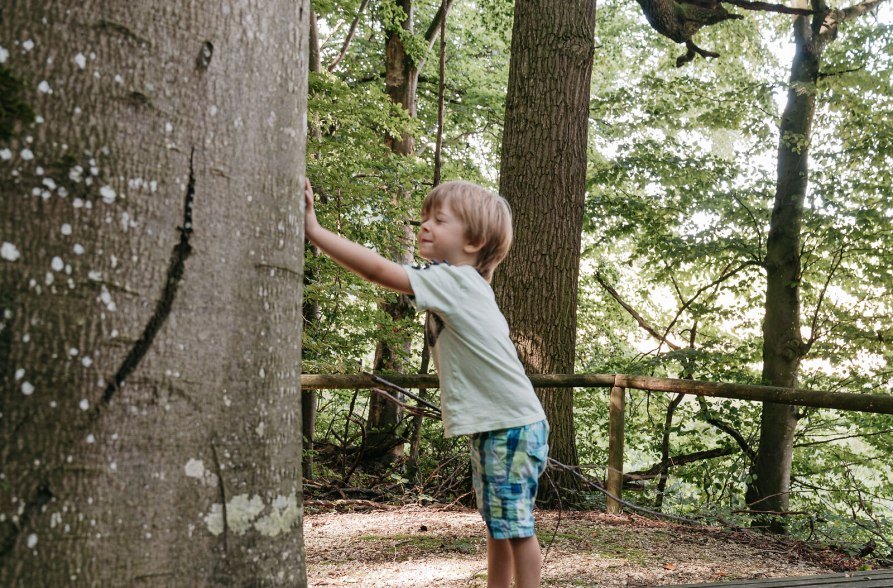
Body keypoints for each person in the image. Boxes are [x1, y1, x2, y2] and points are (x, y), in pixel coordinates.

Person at [304, 177, 549, 588]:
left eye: (439, 219)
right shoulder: (466, 283)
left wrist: (314, 230)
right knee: (499, 523)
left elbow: (378, 270)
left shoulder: (456, 281)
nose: (425, 226)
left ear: (472, 242)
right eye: (423, 218)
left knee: (516, 527)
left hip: (510, 426)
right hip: (502, 425)